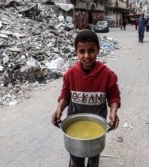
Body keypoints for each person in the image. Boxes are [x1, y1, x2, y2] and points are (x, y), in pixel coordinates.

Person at [51, 29, 121, 167]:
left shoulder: (108, 75)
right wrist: (59, 108)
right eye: (82, 51)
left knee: (94, 158)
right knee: (76, 160)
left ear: (98, 50)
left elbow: (114, 96)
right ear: (76, 52)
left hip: (97, 131)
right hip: (74, 129)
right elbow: (65, 95)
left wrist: (113, 111)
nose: (87, 56)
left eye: (91, 50)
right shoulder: (70, 75)